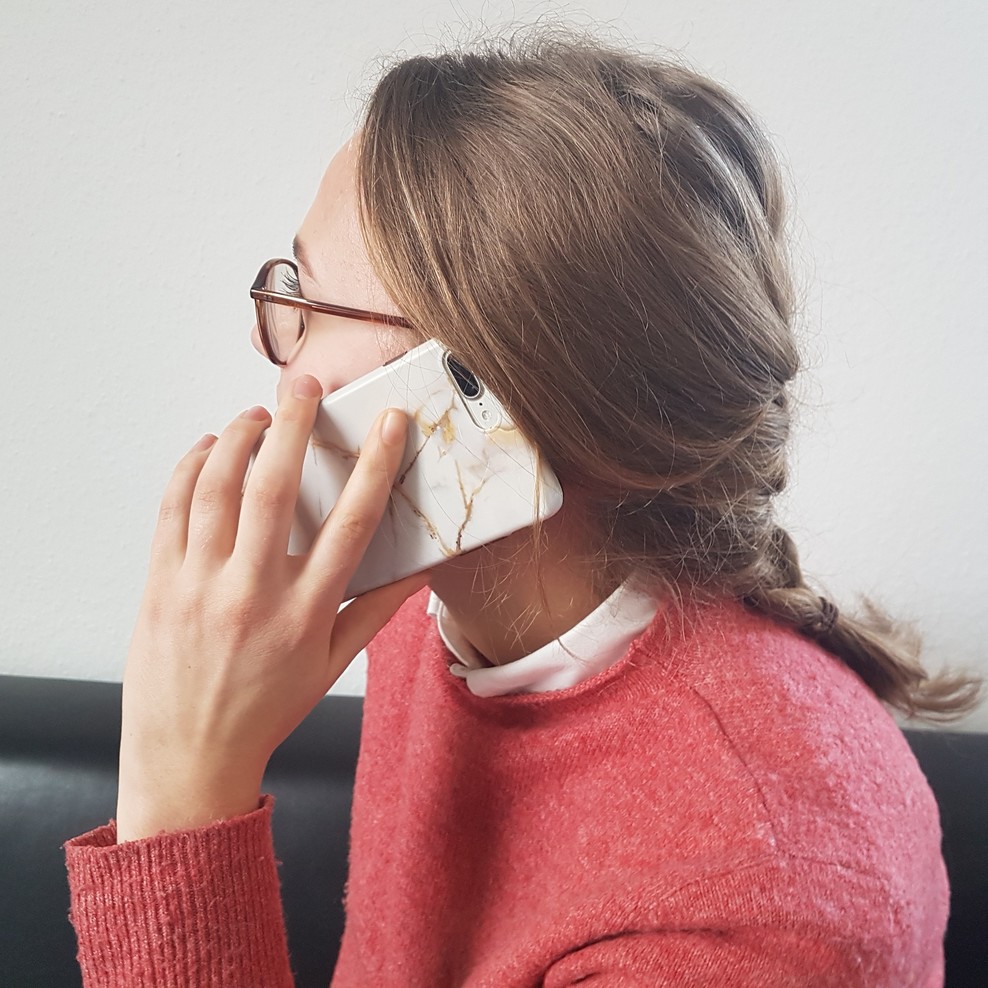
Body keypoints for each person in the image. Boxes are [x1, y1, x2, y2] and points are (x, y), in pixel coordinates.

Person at [63, 26, 982, 987]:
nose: (274, 345)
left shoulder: (753, 901)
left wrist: (177, 797)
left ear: (479, 408)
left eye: (309, 301)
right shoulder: (436, 605)